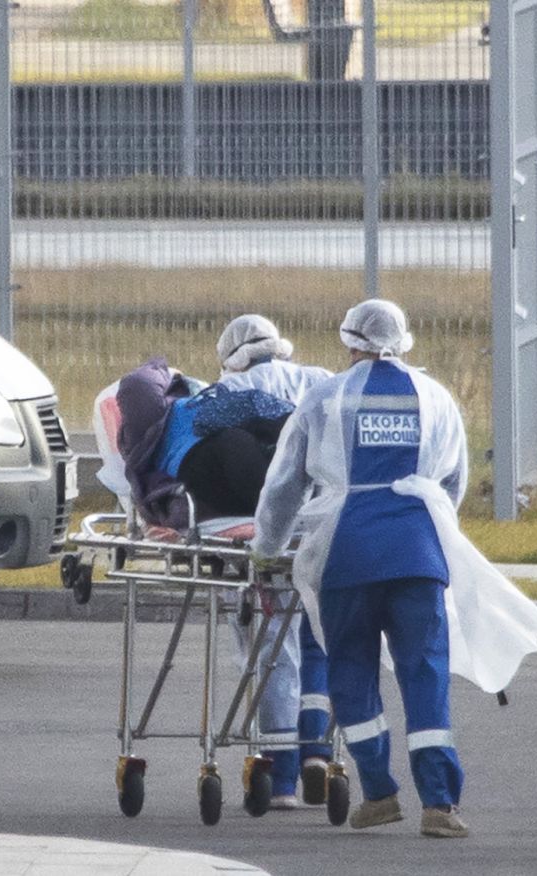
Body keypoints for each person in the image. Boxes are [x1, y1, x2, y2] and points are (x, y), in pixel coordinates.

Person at [251, 299, 537, 838]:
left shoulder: (324, 400)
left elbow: (283, 487)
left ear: (351, 343)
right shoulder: (435, 397)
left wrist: (266, 547)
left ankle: (379, 792)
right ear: (403, 339)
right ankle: (440, 804)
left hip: (346, 551)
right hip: (417, 552)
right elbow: (451, 483)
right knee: (425, 675)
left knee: (352, 671)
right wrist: (429, 530)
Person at [215, 314, 334, 810]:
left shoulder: (226, 392)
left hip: (261, 530)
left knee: (271, 650)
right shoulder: (322, 381)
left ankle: (281, 775)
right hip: (322, 527)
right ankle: (319, 751)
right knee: (319, 640)